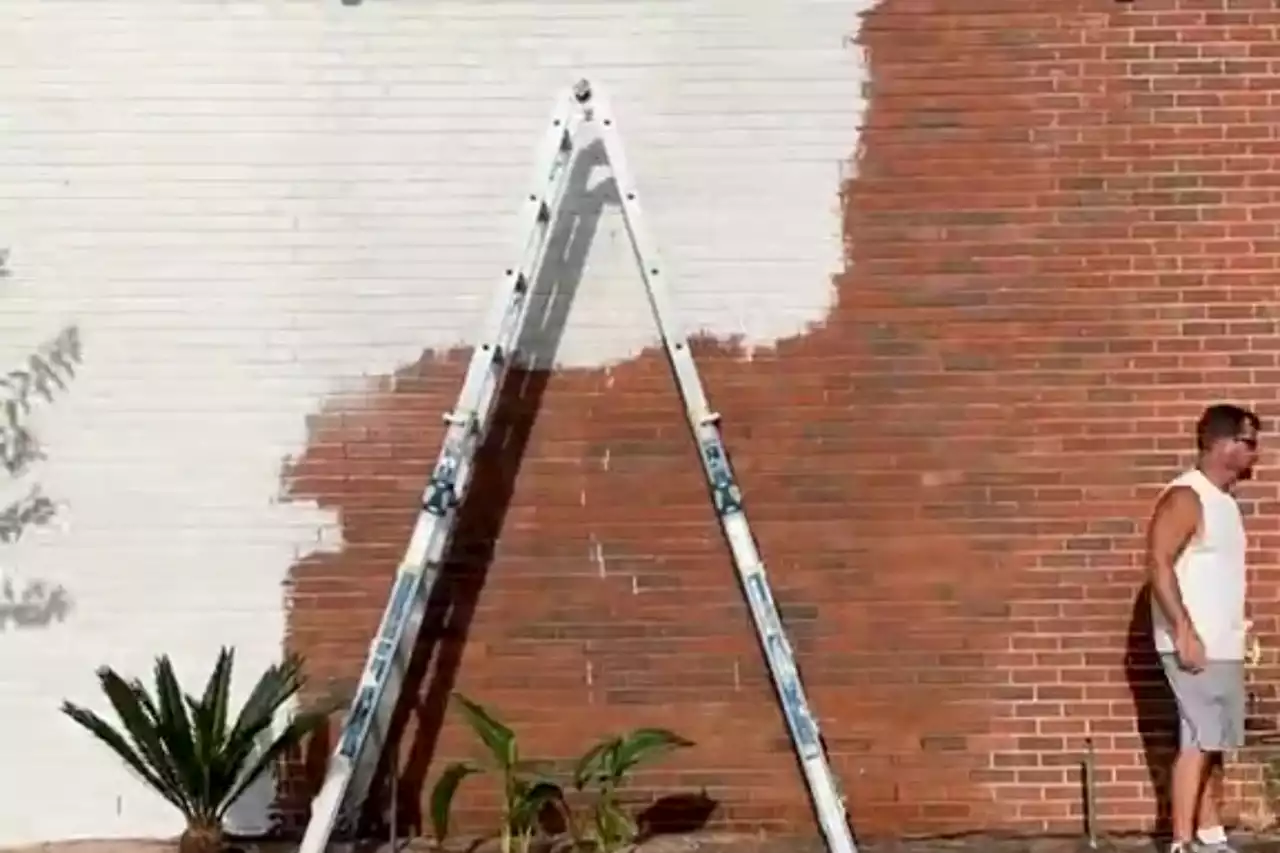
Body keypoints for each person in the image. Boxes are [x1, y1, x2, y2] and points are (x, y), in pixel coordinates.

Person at [1146, 403, 1261, 853]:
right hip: (1192, 643)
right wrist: (1183, 629)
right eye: (1249, 444)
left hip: (1222, 643)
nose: (1256, 454)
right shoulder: (1185, 496)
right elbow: (1158, 563)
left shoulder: (1225, 504)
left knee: (1214, 741)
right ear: (1223, 444)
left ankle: (1210, 835)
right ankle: (1181, 842)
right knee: (1197, 737)